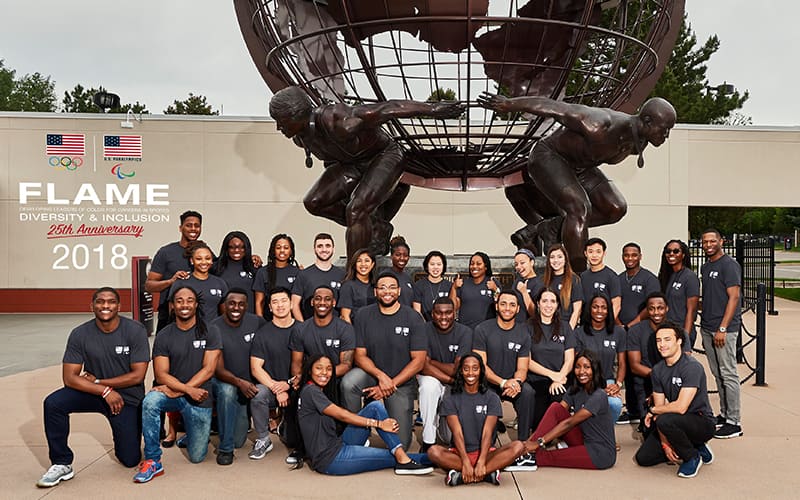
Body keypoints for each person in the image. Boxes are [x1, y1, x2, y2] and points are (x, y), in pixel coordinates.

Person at [477, 92, 676, 272]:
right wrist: (509, 104)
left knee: (615, 208)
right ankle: (577, 272)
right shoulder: (600, 123)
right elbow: (553, 107)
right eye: (664, 129)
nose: (666, 135)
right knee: (579, 209)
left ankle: (549, 227)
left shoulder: (640, 141)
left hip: (582, 167)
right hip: (550, 157)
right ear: (647, 121)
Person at [269, 86, 464, 259]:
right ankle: (376, 226)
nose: (279, 127)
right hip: (352, 164)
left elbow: (388, 108)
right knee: (314, 202)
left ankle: (355, 272)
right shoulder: (301, 138)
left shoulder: (336, 119)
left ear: (296, 114)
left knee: (355, 209)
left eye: (281, 121)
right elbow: (331, 162)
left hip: (383, 156)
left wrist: (433, 109)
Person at [37, 287, 149, 488]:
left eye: (111, 301)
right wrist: (103, 391)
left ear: (119, 306)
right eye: (100, 301)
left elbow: (137, 376)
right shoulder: (80, 334)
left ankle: (127, 437)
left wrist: (98, 382)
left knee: (129, 459)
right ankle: (61, 463)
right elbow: (70, 379)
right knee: (53, 403)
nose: (105, 306)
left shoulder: (135, 330)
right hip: (95, 393)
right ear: (92, 306)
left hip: (126, 397)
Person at [135, 286, 222, 483]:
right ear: (173, 306)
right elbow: (161, 373)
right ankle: (153, 460)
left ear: (196, 304)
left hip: (200, 397)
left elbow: (209, 369)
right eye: (180, 301)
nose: (185, 304)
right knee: (151, 401)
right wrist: (186, 390)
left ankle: (191, 434)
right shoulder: (164, 335)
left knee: (197, 457)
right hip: (179, 393)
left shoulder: (210, 330)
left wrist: (182, 390)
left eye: (189, 300)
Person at [297, 354, 433, 475]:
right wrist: (379, 424)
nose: (324, 373)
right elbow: (342, 415)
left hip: (339, 444)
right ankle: (430, 458)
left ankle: (404, 456)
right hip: (331, 459)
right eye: (319, 368)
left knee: (374, 406)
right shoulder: (310, 391)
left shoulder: (315, 391)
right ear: (310, 371)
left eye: (328, 369)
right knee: (390, 457)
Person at [341, 272, 427, 450]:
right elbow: (360, 355)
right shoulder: (364, 315)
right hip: (372, 374)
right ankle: (358, 432)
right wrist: (381, 378)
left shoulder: (413, 318)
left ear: (399, 291)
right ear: (375, 292)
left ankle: (383, 416)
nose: (387, 291)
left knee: (401, 444)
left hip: (401, 381)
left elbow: (418, 361)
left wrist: (390, 384)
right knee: (349, 383)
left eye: (392, 287)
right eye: (382, 287)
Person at [427, 354, 527, 486]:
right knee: (433, 452)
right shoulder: (450, 399)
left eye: (475, 368)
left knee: (518, 446)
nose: (470, 373)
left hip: (486, 454)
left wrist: (481, 461)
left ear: (481, 371)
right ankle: (485, 474)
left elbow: (487, 433)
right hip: (459, 454)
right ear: (461, 371)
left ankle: (464, 475)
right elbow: (457, 433)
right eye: (466, 368)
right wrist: (465, 461)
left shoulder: (492, 398)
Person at [286, 284, 356, 465]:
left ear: (334, 302)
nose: (322, 302)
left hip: (333, 378)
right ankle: (300, 446)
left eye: (327, 299)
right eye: (318, 298)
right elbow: (296, 363)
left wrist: (325, 377)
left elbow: (346, 364)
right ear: (312, 302)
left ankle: (344, 436)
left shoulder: (344, 328)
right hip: (310, 380)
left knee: (344, 386)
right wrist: (300, 381)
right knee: (298, 392)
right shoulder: (301, 329)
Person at [634, 323, 715, 478]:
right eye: (658, 340)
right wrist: (665, 444)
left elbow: (680, 407)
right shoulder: (658, 370)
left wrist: (652, 411)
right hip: (673, 421)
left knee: (665, 420)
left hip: (701, 422)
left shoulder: (692, 367)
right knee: (643, 458)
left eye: (667, 339)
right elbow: (660, 410)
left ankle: (692, 456)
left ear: (679, 341)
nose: (662, 345)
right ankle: (693, 446)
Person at [515, 350, 617, 471]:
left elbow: (569, 423)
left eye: (587, 367)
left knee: (547, 457)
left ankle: (528, 456)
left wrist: (539, 442)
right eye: (578, 367)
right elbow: (556, 414)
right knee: (555, 407)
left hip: (600, 453)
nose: (581, 371)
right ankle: (525, 448)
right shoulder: (575, 390)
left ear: (595, 370)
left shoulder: (599, 395)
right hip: (583, 441)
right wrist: (531, 441)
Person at [209, 289, 265, 465]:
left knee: (239, 441)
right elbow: (218, 370)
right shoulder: (214, 327)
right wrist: (240, 383)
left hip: (247, 385)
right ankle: (226, 450)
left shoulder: (256, 322)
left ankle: (223, 421)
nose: (236, 307)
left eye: (241, 304)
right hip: (225, 381)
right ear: (224, 305)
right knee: (227, 392)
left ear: (246, 306)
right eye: (231, 303)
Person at [472, 290, 535, 442]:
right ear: (496, 306)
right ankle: (489, 442)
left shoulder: (523, 333)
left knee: (528, 393)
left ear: (518, 309)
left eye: (512, 305)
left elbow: (522, 368)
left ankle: (523, 444)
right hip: (489, 383)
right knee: (488, 397)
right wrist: (502, 382)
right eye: (503, 304)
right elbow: (481, 366)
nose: (508, 308)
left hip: (512, 384)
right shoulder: (482, 329)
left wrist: (517, 382)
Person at [700, 228, 743, 439]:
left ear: (721, 242)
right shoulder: (706, 266)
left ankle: (734, 422)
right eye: (705, 241)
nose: (708, 244)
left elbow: (734, 298)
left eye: (712, 241)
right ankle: (725, 415)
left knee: (729, 374)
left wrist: (723, 328)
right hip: (707, 327)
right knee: (718, 375)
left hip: (723, 330)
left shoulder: (729, 265)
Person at [249, 287, 301, 460]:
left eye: (284, 301)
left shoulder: (303, 329)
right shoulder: (263, 333)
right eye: (275, 302)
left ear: (291, 303)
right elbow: (256, 368)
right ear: (269, 307)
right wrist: (277, 388)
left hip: (297, 387)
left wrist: (289, 384)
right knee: (258, 393)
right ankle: (263, 439)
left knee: (292, 439)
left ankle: (295, 432)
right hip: (272, 387)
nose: (280, 306)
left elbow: (309, 365)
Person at [417, 297, 473, 452]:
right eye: (439, 313)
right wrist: (449, 378)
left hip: (455, 381)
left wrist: (431, 362)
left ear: (454, 313)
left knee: (449, 438)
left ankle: (440, 419)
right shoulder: (423, 330)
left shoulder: (465, 332)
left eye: (448, 313)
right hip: (434, 378)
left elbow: (460, 368)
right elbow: (422, 366)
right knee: (429, 386)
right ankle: (428, 441)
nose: (443, 317)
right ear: (432, 314)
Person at [527, 288, 576, 433]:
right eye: (544, 301)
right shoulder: (527, 327)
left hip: (561, 380)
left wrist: (559, 377)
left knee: (559, 396)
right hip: (536, 382)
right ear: (538, 304)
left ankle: (561, 434)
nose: (548, 305)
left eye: (553, 301)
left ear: (557, 306)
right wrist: (551, 375)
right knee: (539, 425)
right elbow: (527, 361)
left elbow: (570, 358)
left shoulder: (565, 327)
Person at [145, 210, 203, 331]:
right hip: (168, 316)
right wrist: (171, 281)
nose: (193, 229)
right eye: (188, 225)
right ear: (180, 228)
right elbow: (149, 286)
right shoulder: (166, 252)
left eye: (196, 225)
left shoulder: (204, 252)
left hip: (198, 317)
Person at [576, 294, 626, 424]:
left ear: (609, 310)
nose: (599, 311)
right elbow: (576, 365)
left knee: (615, 404)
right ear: (589, 309)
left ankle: (606, 437)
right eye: (595, 307)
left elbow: (622, 362)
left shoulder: (618, 332)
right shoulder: (579, 333)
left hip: (607, 381)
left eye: (604, 308)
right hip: (585, 381)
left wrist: (618, 384)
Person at [624, 292, 670, 426]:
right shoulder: (635, 331)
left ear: (667, 308)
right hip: (645, 383)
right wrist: (659, 378)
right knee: (649, 428)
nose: (656, 312)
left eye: (660, 308)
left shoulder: (677, 330)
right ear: (647, 310)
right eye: (652, 308)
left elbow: (684, 363)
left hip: (671, 383)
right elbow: (634, 366)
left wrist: (666, 382)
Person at [167, 241, 228, 322]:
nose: (204, 262)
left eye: (207, 258)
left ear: (212, 260)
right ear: (192, 261)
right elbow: (172, 312)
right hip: (189, 332)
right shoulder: (181, 282)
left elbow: (225, 314)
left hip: (213, 332)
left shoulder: (220, 283)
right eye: (199, 259)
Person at [290, 233, 345, 321]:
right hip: (310, 330)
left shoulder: (342, 275)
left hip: (335, 331)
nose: (324, 249)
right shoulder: (304, 274)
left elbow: (345, 307)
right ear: (314, 249)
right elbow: (294, 304)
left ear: (333, 248)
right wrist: (303, 327)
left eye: (328, 246)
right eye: (320, 246)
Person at [658, 239, 700, 347]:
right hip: (666, 330)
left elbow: (691, 310)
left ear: (683, 255)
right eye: (668, 251)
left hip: (681, 330)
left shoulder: (690, 277)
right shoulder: (666, 276)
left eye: (676, 251)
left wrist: (685, 337)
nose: (671, 254)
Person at [253, 233, 301, 319]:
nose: (282, 250)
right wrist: (260, 323)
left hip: (291, 322)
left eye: (286, 248)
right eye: (278, 247)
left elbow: (297, 303)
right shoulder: (263, 272)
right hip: (269, 321)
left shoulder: (298, 272)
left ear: (291, 251)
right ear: (273, 250)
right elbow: (259, 302)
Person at [536, 243, 582, 328]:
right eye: (552, 257)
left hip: (567, 326)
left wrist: (568, 332)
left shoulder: (574, 280)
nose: (556, 260)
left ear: (565, 259)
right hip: (545, 328)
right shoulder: (541, 280)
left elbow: (577, 309)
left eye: (559, 257)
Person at [451, 252, 500, 329]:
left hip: (487, 331)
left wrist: (495, 289)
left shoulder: (492, 282)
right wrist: (454, 287)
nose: (474, 266)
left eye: (478, 264)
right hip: (465, 331)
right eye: (472, 264)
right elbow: (453, 307)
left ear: (486, 267)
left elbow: (500, 306)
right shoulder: (463, 283)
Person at [212, 231, 258, 314]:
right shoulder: (215, 268)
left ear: (246, 248)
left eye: (241, 247)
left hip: (250, 319)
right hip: (223, 320)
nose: (237, 250)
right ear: (226, 249)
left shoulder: (254, 267)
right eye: (232, 247)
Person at [618, 242, 660, 329]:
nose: (630, 258)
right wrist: (619, 326)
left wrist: (630, 326)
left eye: (634, 255)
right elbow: (613, 304)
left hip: (642, 328)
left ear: (640, 257)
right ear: (622, 257)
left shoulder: (650, 279)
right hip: (620, 328)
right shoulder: (617, 279)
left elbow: (651, 306)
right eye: (626, 255)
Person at [581, 238, 622, 320]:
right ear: (585, 253)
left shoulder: (611, 276)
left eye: (598, 252)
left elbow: (616, 305)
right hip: (585, 325)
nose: (594, 255)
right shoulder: (583, 276)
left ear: (604, 253)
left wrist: (607, 325)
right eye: (590, 251)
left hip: (603, 325)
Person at [338, 248, 377, 325]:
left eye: (367, 261)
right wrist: (351, 335)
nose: (363, 264)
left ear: (372, 264)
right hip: (356, 330)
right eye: (359, 261)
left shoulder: (376, 285)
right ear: (354, 264)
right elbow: (345, 316)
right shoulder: (348, 286)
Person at [412, 250, 452, 321]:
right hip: (425, 327)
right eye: (432, 264)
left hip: (445, 326)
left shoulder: (449, 286)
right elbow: (417, 312)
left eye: (439, 264)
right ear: (427, 266)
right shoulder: (419, 285)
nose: (435, 267)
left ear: (443, 266)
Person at [513, 248, 541, 322]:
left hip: (530, 329)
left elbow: (536, 314)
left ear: (531, 262)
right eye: (516, 264)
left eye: (522, 263)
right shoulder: (517, 282)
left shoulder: (539, 283)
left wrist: (524, 292)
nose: (518, 267)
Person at [385, 235, 414, 307]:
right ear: (391, 256)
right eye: (398, 255)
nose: (402, 258)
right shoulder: (385, 276)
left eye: (405, 255)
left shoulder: (408, 277)